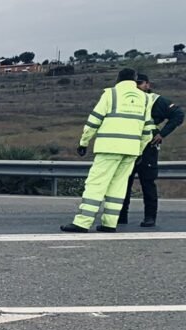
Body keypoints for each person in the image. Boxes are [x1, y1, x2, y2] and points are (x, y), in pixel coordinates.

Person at [61, 68, 156, 233]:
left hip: (109, 148)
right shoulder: (146, 99)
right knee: (118, 186)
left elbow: (94, 121)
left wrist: (84, 142)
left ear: (118, 79)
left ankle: (82, 223)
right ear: (134, 80)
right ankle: (110, 223)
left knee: (96, 183)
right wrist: (139, 151)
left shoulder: (111, 94)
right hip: (131, 150)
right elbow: (148, 130)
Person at [117, 74, 184, 227]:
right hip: (127, 145)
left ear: (148, 85)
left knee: (147, 183)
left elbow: (178, 114)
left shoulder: (155, 100)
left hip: (148, 147)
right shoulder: (125, 99)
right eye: (134, 83)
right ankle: (120, 217)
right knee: (123, 183)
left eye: (140, 83)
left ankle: (149, 217)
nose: (137, 86)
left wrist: (162, 134)